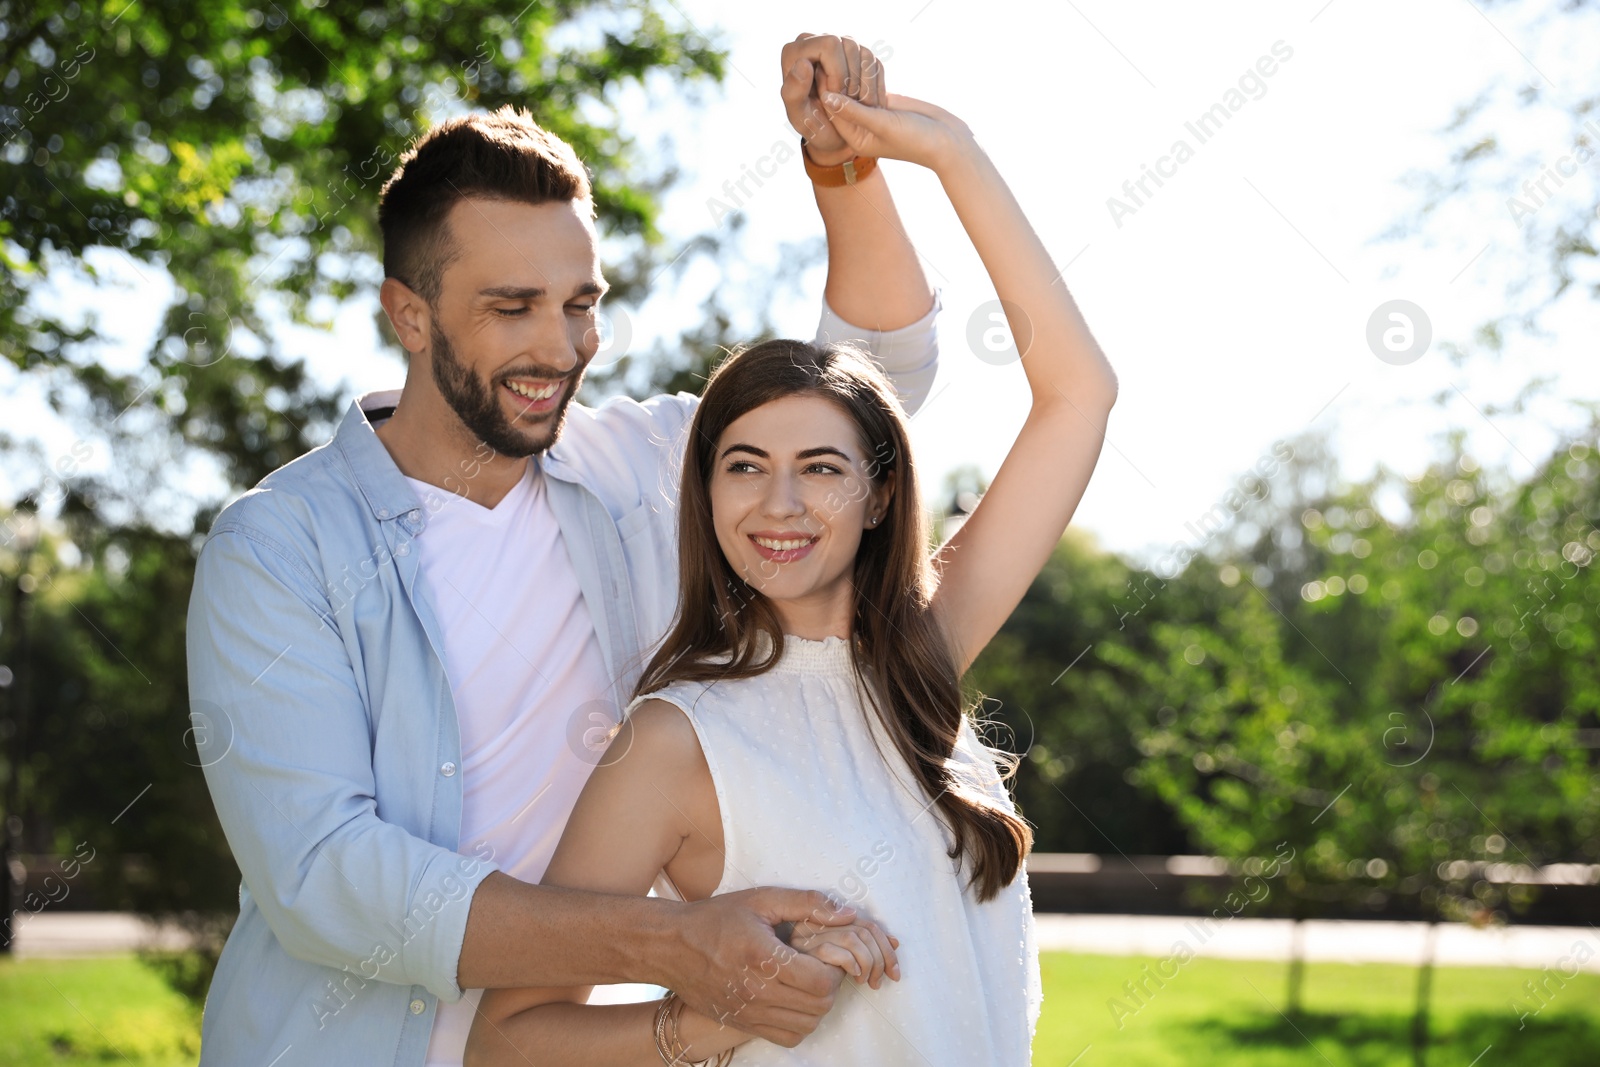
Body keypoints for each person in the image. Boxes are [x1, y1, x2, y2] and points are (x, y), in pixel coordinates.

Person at [185, 36, 943, 1066]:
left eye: (580, 303)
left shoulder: (644, 467)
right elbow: (326, 878)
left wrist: (841, 166)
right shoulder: (278, 548)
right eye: (513, 308)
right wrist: (674, 941)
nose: (560, 346)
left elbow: (877, 378)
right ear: (408, 314)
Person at [464, 88, 1120, 1066]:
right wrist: (711, 1017)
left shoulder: (922, 657)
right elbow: (507, 1042)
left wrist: (950, 151)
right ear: (704, 493)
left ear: (879, 495)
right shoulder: (673, 739)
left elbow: (1079, 391)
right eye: (742, 464)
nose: (778, 502)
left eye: (819, 467)